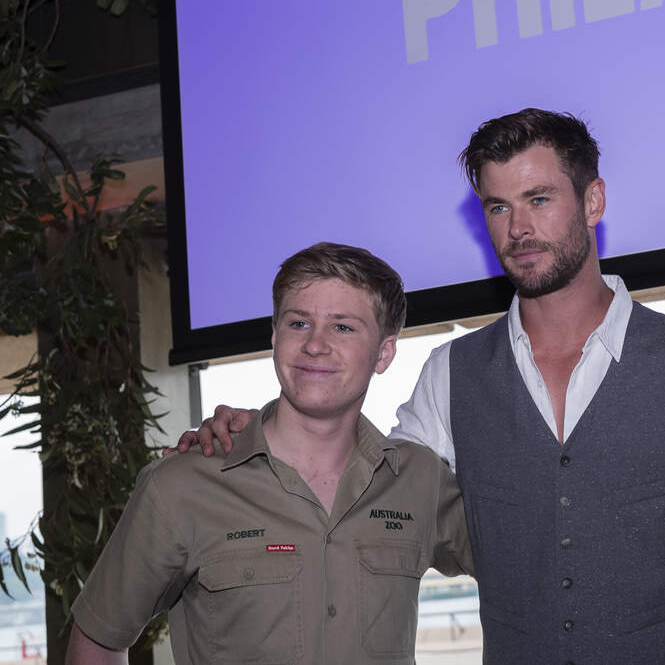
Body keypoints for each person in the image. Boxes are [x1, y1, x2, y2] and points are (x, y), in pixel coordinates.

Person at [176, 109, 665, 662]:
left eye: (539, 199)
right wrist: (259, 432)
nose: (518, 228)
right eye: (498, 207)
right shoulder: (449, 376)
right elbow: (356, 490)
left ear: (593, 200)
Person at [67, 243, 472, 665]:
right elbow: (98, 642)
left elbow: (515, 563)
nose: (315, 344)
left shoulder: (420, 480)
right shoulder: (179, 486)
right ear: (276, 336)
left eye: (342, 327)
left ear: (384, 354)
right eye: (299, 323)